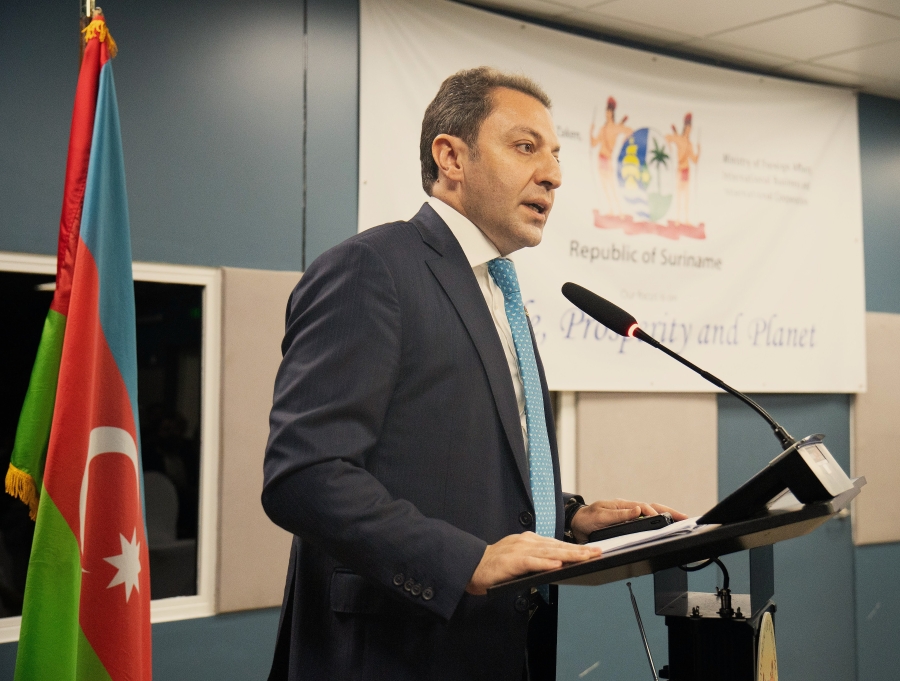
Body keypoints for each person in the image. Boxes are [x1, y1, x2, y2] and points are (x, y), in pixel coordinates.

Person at [262, 67, 685, 681]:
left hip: (502, 646)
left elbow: (450, 463)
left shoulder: (497, 290)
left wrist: (564, 516)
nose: (553, 174)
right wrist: (463, 561)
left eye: (556, 155)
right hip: (398, 652)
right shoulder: (371, 269)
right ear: (451, 157)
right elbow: (304, 474)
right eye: (525, 147)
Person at [590, 96, 633, 216]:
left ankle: (620, 211)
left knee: (612, 186)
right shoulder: (603, 128)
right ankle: (611, 210)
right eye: (606, 112)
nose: (607, 114)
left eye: (609, 112)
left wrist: (624, 141)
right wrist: (591, 132)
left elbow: (629, 131)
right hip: (600, 158)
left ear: (612, 113)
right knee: (605, 187)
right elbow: (594, 143)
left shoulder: (615, 127)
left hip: (608, 160)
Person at [665, 112, 700, 224]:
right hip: (679, 170)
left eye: (690, 129)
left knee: (686, 196)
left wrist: (699, 151)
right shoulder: (679, 139)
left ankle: (686, 219)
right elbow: (667, 138)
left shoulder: (689, 144)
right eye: (687, 128)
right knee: (679, 195)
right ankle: (678, 219)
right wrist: (670, 147)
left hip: (687, 171)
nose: (689, 130)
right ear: (685, 128)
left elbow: (694, 160)